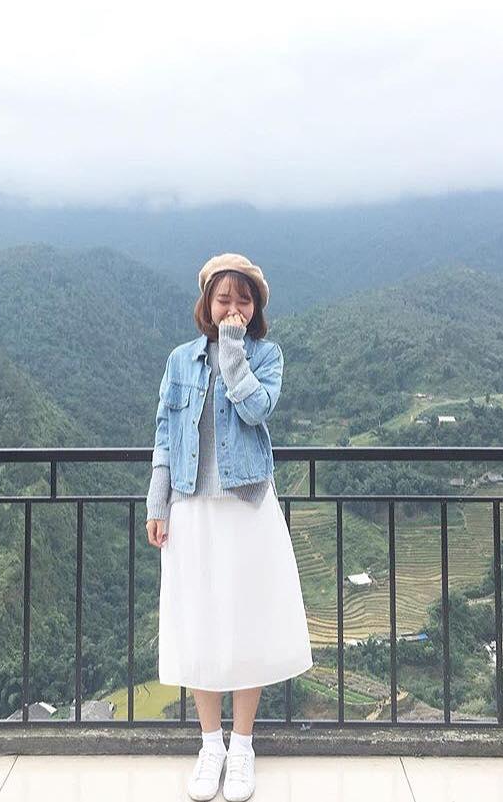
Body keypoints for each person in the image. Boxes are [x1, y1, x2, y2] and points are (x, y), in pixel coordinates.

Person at [146, 252, 313, 802]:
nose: (233, 308)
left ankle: (242, 747)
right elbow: (165, 435)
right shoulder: (179, 360)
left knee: (247, 622)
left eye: (244, 300)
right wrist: (157, 503)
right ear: (207, 303)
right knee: (200, 623)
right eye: (224, 299)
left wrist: (235, 353)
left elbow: (257, 410)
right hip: (192, 506)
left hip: (246, 505)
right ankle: (209, 745)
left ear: (256, 307)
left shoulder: (267, 355)